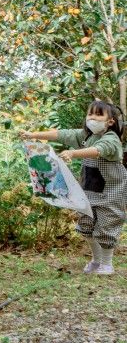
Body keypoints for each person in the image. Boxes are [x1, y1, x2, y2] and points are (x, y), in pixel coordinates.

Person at [22, 98, 127, 275]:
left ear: (110, 122)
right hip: (88, 190)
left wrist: (74, 153)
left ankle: (107, 264)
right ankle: (96, 260)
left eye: (98, 115)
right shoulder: (86, 136)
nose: (92, 118)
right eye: (90, 113)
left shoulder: (111, 139)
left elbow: (97, 150)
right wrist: (33, 135)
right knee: (86, 225)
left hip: (111, 192)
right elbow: (61, 134)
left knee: (107, 226)